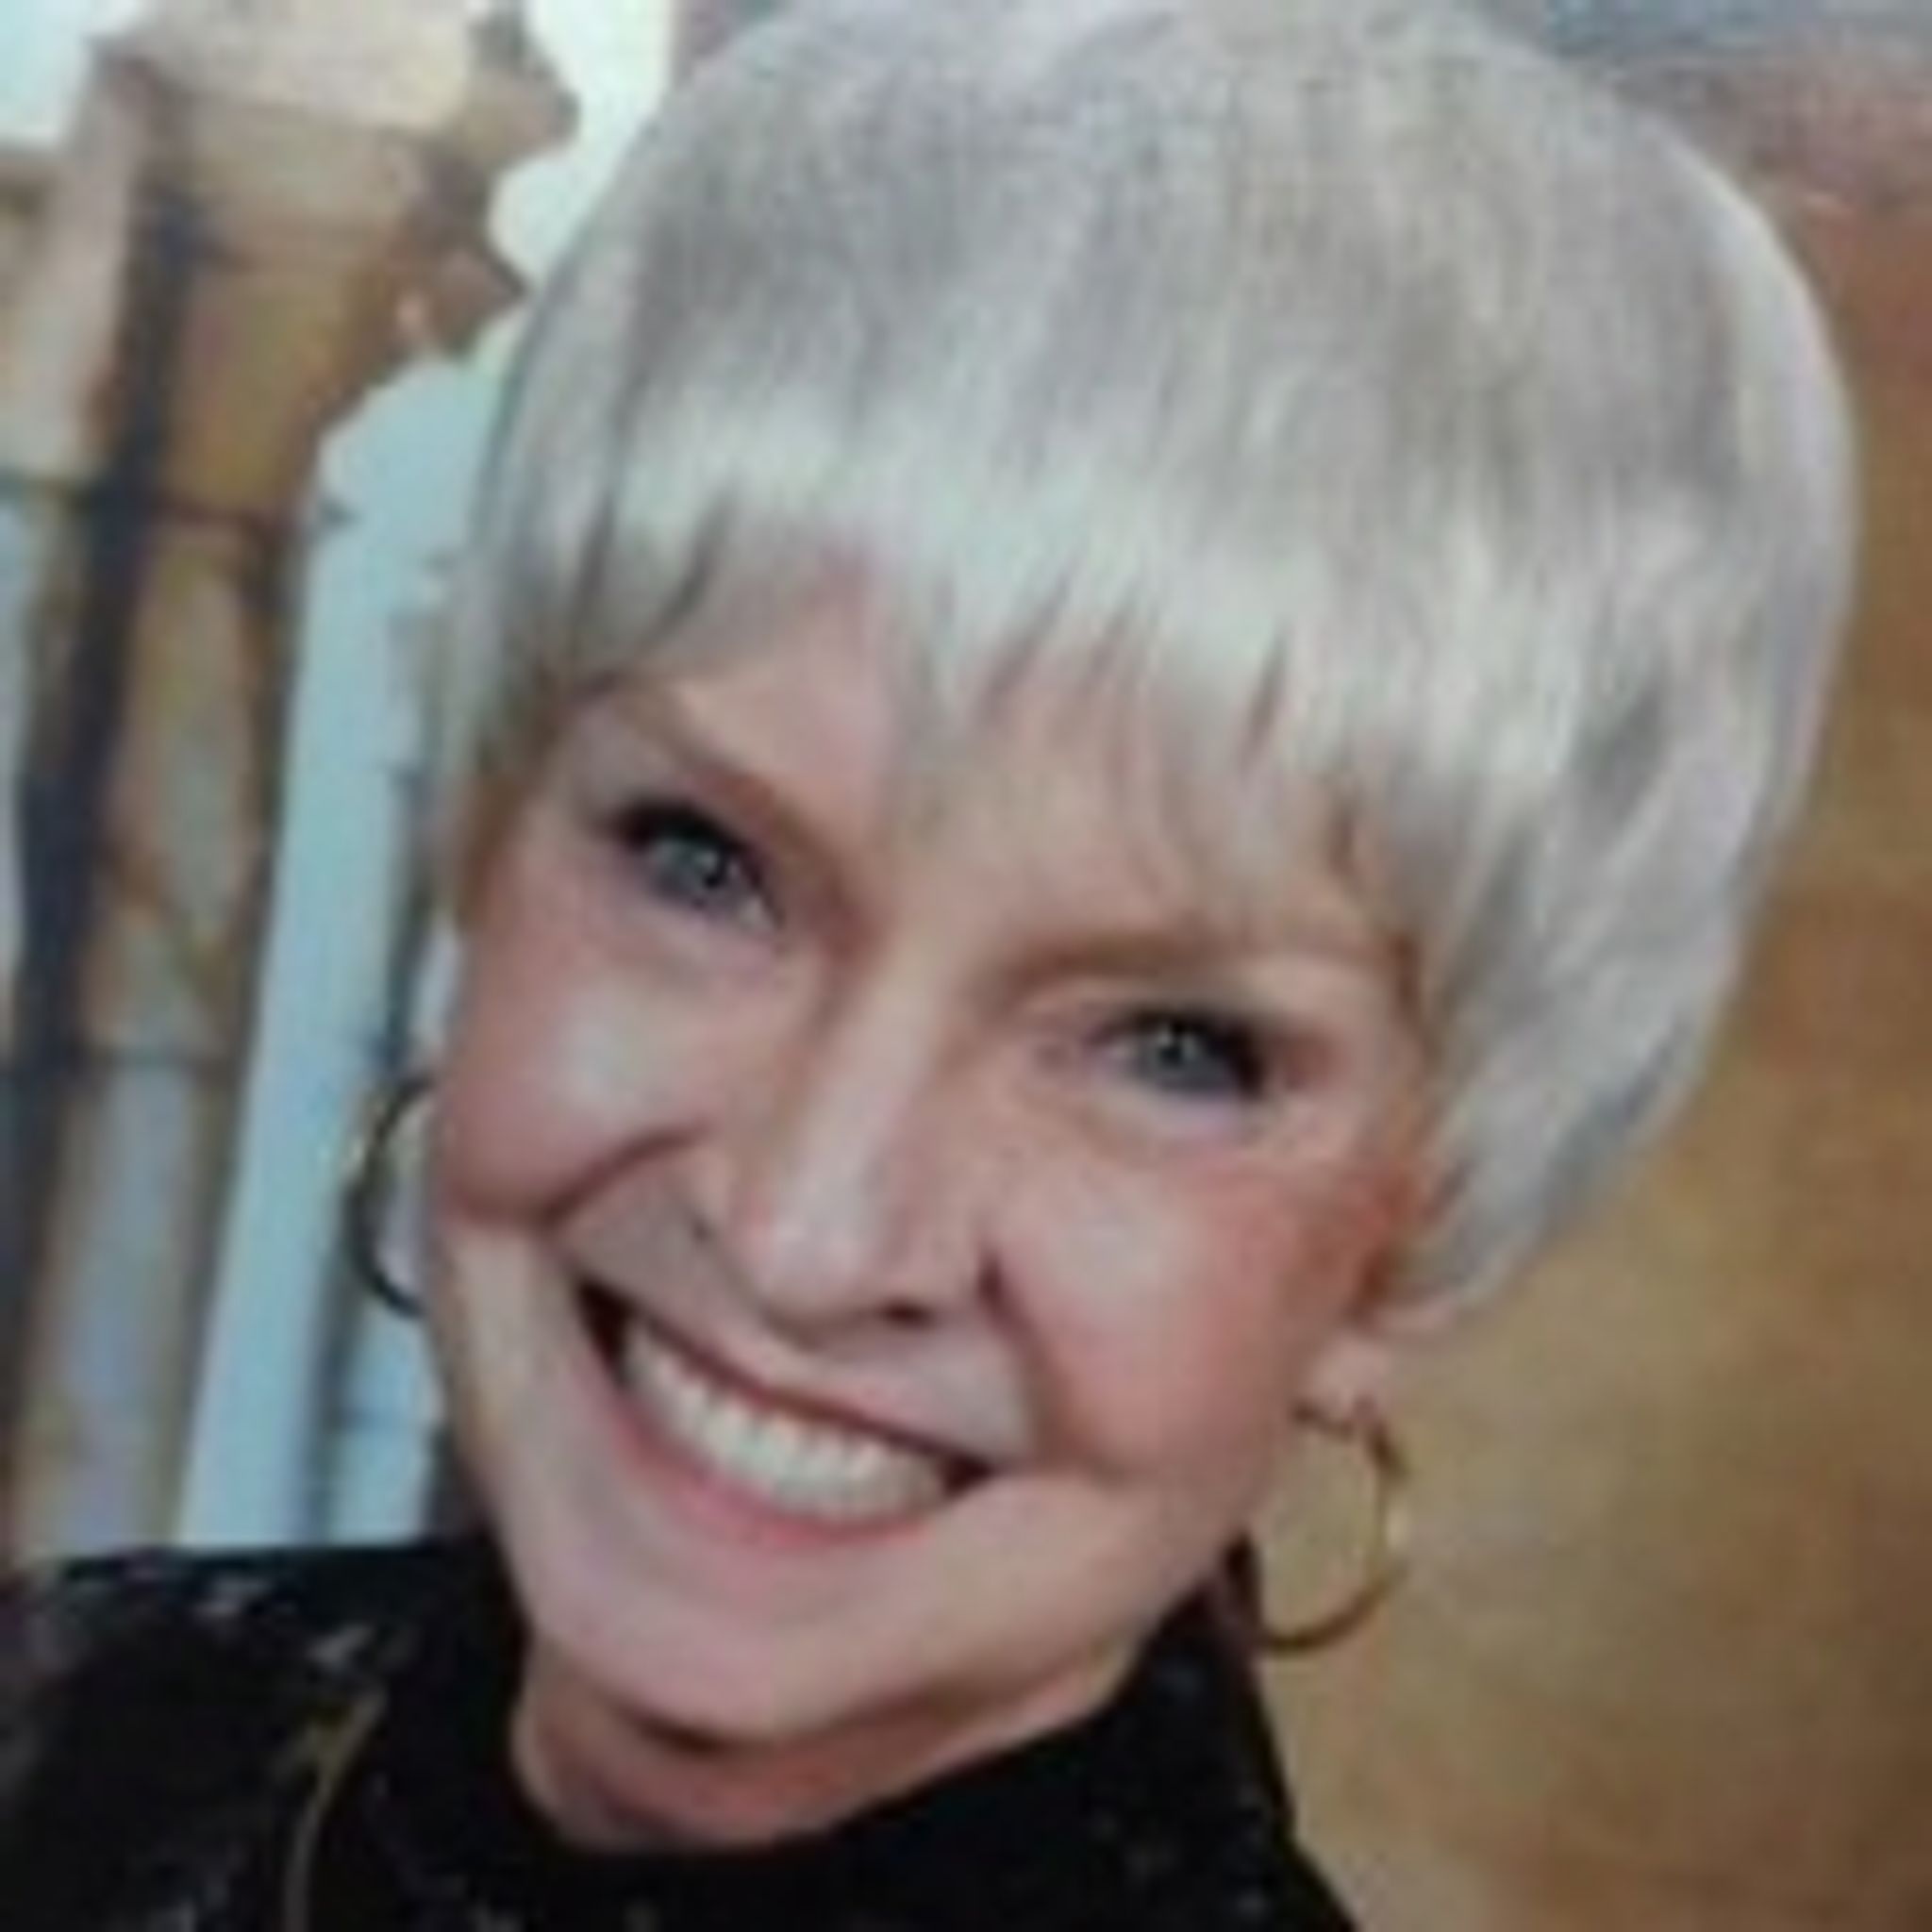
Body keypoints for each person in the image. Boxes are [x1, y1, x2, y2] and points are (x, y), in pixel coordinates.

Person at [0, 0, 1856, 1924]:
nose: (808, 1234)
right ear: (493, 826)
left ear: (1425, 1230)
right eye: (706, 863)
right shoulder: (73, 1718)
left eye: (1172, 1046)